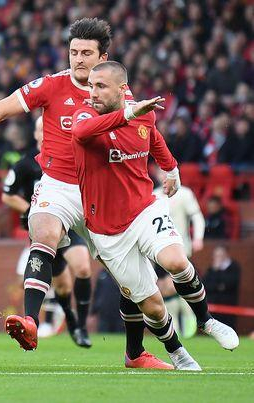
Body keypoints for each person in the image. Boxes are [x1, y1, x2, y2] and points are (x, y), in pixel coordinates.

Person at [0, 18, 163, 368]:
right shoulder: (51, 85)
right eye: (74, 52)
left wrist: (165, 170)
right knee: (43, 231)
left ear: (103, 57)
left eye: (86, 53)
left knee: (129, 277)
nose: (78, 59)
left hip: (101, 190)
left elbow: (143, 139)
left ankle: (135, 353)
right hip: (58, 184)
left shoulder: (120, 95)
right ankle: (30, 320)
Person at [71, 61, 239, 370]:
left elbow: (153, 138)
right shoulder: (84, 115)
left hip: (144, 210)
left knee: (176, 261)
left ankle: (207, 321)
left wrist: (171, 169)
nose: (92, 92)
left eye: (100, 86)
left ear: (122, 89)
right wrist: (128, 114)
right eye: (91, 86)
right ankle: (177, 352)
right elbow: (81, 133)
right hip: (108, 231)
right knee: (153, 307)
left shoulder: (143, 113)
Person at [1, 117, 90, 346]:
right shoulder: (26, 163)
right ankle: (68, 317)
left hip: (69, 223)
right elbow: (7, 195)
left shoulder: (68, 157)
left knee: (82, 267)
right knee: (62, 285)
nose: (44, 133)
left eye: (47, 128)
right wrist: (32, 209)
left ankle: (81, 326)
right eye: (40, 129)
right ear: (35, 134)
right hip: (45, 229)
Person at [152, 164, 204, 337]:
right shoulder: (154, 195)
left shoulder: (184, 193)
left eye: (165, 171)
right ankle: (175, 328)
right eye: (159, 171)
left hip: (181, 250)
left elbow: (196, 216)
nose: (162, 175)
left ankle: (190, 324)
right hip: (160, 251)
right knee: (166, 290)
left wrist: (198, 237)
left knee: (179, 287)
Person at [203, 245, 241, 329]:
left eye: (220, 255)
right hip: (213, 306)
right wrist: (215, 272)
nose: (217, 258)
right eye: (216, 255)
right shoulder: (212, 269)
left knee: (228, 329)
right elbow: (206, 285)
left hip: (228, 306)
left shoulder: (234, 267)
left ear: (226, 254)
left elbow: (229, 284)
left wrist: (217, 285)